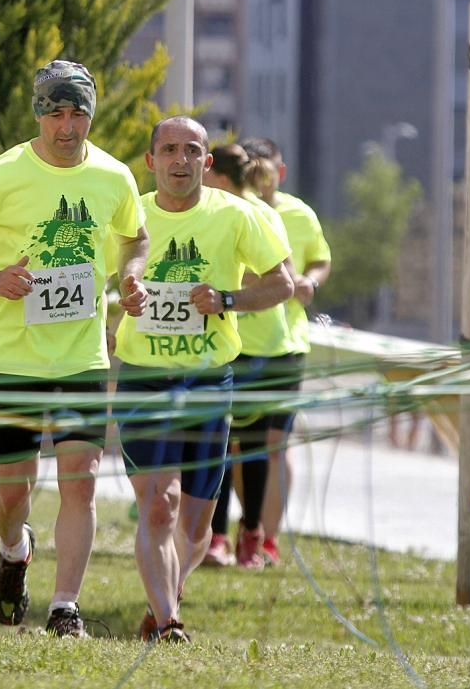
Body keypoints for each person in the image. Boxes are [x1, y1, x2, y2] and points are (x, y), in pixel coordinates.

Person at [0, 60, 150, 638]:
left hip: (80, 355)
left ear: (90, 116)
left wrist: (132, 275)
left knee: (80, 475)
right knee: (12, 488)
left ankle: (64, 606)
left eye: (78, 112)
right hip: (10, 357)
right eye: (56, 112)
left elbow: (136, 235)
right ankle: (13, 549)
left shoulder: (113, 176)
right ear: (39, 114)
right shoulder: (2, 175)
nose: (67, 125)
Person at [111, 116, 292, 642]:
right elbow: (99, 276)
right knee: (158, 506)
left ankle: (167, 594)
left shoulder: (237, 216)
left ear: (207, 163)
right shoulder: (129, 216)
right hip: (146, 376)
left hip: (210, 381)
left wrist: (227, 299)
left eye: (192, 151)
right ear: (151, 161)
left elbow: (281, 284)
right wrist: (126, 294)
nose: (180, 160)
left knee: (195, 530)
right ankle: (168, 620)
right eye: (169, 150)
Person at [200, 144, 296, 569]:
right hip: (219, 344)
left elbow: (280, 274)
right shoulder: (209, 210)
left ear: (219, 177)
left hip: (258, 346)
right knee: (216, 443)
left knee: (251, 446)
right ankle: (216, 536)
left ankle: (249, 536)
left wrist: (227, 291)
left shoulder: (260, 214)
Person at [240, 136, 332, 566]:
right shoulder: (232, 209)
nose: (261, 175)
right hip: (237, 342)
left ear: (282, 171)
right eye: (251, 166)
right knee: (240, 443)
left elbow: (320, 259)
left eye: (268, 167)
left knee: (276, 443)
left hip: (285, 344)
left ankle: (267, 537)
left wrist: (311, 280)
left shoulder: (299, 213)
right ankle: (245, 527)